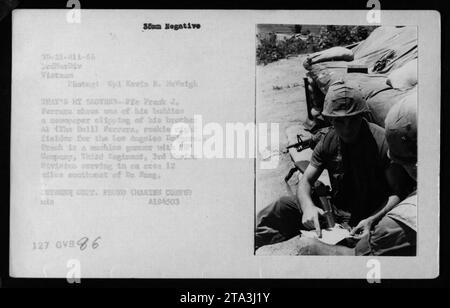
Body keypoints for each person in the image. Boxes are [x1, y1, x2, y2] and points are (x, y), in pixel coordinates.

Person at [255, 79, 416, 255]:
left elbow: (397, 193)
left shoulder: (382, 142)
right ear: (330, 120)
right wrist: (308, 206)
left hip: (370, 219)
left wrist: (372, 219)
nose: (347, 129)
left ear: (362, 115)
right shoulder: (328, 140)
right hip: (335, 214)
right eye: (340, 121)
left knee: (323, 252)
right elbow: (307, 180)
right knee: (283, 206)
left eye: (352, 120)